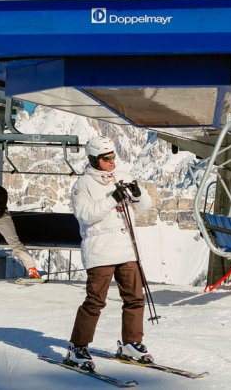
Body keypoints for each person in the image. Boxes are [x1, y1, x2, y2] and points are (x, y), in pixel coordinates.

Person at [64, 136, 152, 372]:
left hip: (126, 248)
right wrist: (113, 199)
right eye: (106, 158)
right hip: (100, 251)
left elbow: (145, 207)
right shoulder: (82, 185)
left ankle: (131, 343)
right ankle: (78, 347)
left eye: (113, 156)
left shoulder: (121, 176)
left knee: (134, 298)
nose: (112, 161)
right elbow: (85, 215)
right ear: (94, 159)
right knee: (95, 301)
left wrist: (137, 194)